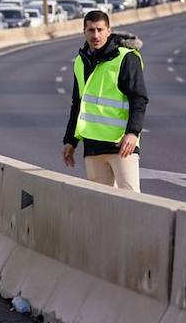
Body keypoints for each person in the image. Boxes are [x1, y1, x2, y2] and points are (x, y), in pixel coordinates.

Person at [62, 10, 148, 191]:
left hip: (121, 145)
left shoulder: (126, 57)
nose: (96, 35)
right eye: (91, 30)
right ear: (84, 31)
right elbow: (77, 104)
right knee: (101, 206)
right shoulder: (81, 61)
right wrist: (70, 141)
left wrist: (133, 133)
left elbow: (138, 99)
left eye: (100, 30)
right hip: (92, 146)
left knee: (132, 202)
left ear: (109, 31)